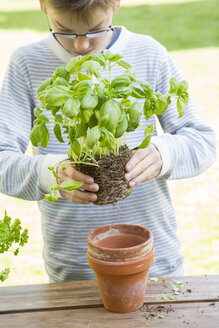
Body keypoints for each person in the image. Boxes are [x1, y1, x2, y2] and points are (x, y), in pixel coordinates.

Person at [0, 0, 216, 282]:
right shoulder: (27, 64)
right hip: (73, 267)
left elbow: (203, 141)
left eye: (95, 30)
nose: (80, 46)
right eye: (64, 31)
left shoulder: (148, 54)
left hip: (155, 261)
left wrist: (165, 153)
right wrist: (52, 173)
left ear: (115, 4)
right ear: (43, 6)